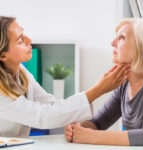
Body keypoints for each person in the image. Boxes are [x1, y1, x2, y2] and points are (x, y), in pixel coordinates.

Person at [0, 16, 129, 137]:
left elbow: (51, 105)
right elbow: (43, 116)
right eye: (20, 40)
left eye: (23, 33)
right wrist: (98, 90)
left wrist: (76, 126)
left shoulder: (21, 72)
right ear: (3, 56)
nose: (29, 40)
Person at [64, 18, 143, 146]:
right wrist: (77, 129)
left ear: (141, 46)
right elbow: (98, 123)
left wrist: (88, 135)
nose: (112, 43)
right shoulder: (124, 86)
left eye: (122, 38)